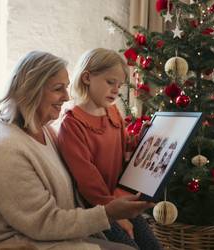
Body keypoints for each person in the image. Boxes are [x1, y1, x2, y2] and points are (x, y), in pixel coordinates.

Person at [0, 50, 154, 250]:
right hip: (20, 243)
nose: (66, 97)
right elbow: (42, 223)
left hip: (55, 235)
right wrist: (108, 213)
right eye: (58, 89)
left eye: (66, 88)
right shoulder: (5, 149)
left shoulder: (45, 130)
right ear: (31, 90)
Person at [57, 48, 162, 250]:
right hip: (97, 208)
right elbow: (88, 180)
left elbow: (123, 147)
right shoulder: (72, 123)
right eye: (110, 82)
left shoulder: (112, 111)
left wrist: (143, 139)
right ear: (87, 77)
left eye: (119, 85)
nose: (116, 90)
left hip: (119, 198)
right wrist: (113, 213)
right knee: (129, 245)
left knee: (153, 245)